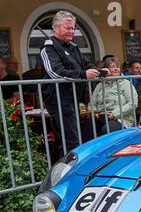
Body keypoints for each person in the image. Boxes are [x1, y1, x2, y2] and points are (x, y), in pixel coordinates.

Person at [38, 10, 99, 153]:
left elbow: (86, 64)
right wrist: (84, 74)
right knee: (71, 140)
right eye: (67, 28)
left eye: (73, 28)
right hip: (58, 100)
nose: (72, 31)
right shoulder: (49, 47)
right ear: (55, 28)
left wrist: (99, 71)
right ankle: (68, 172)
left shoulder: (74, 47)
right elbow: (55, 73)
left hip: (73, 99)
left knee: (73, 138)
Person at [89, 55, 138, 129]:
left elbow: (133, 103)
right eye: (112, 67)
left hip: (121, 118)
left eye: (117, 67)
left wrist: (114, 114)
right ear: (106, 70)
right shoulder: (100, 85)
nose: (116, 69)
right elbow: (92, 103)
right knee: (88, 127)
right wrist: (95, 113)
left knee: (108, 128)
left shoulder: (126, 83)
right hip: (101, 117)